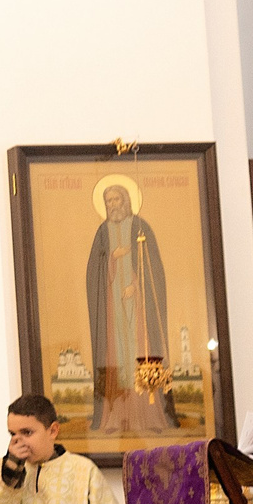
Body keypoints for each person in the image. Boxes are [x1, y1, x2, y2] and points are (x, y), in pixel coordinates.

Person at [85, 179, 173, 433]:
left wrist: (137, 286)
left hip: (138, 306)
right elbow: (94, 270)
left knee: (139, 351)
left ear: (126, 200)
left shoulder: (140, 226)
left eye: (116, 199)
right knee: (117, 356)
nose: (113, 205)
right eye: (108, 201)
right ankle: (116, 418)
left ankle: (148, 416)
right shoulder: (102, 232)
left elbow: (152, 266)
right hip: (113, 307)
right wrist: (111, 259)